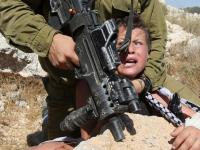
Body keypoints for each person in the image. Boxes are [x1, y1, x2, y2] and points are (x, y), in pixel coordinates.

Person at [0, 0, 200, 143]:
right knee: (56, 141)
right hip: (69, 88)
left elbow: (156, 40)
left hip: (141, 79)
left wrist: (143, 82)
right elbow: (6, 7)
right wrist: (48, 39)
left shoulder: (154, 86)